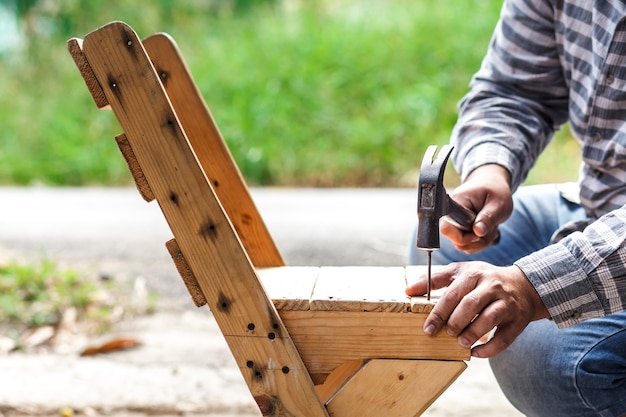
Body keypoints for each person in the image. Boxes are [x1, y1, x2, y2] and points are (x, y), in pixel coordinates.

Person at [406, 1, 626, 416]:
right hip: (601, 202)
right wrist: (491, 169)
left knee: (546, 365)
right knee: (448, 266)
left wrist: (533, 286)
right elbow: (514, 89)